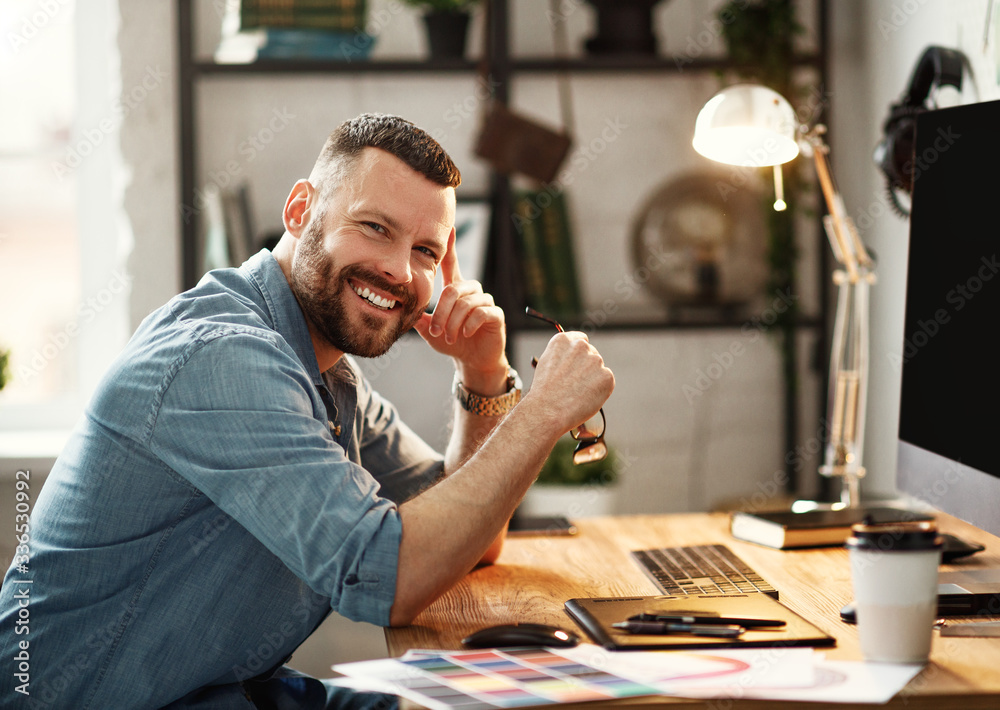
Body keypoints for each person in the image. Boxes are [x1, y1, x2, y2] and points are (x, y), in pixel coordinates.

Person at [0, 113, 614, 708]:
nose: (400, 271)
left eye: (426, 251)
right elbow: (390, 577)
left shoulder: (323, 370)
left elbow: (471, 540)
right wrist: (542, 412)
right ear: (300, 211)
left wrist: (481, 375)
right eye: (375, 227)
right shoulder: (224, 358)